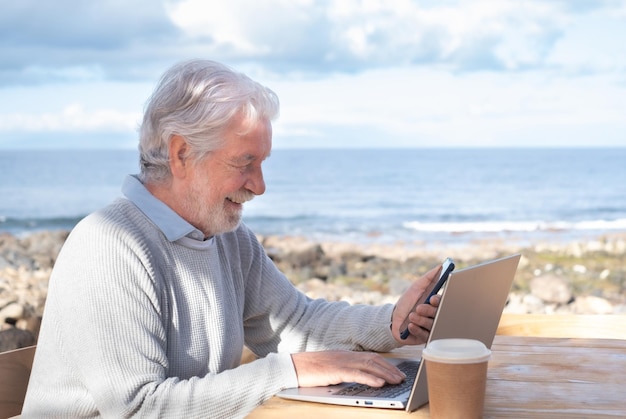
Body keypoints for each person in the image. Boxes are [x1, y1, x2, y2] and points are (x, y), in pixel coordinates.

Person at [22, 59, 442, 418]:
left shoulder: (226, 236)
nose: (259, 186)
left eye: (261, 163)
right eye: (245, 163)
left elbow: (296, 323)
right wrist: (287, 370)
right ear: (181, 153)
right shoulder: (110, 244)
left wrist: (392, 322)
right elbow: (138, 409)